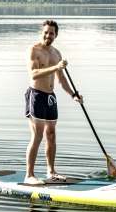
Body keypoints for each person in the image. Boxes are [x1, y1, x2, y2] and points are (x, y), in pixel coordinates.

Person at [24, 20, 83, 185]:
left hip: (50, 97)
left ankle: (51, 171)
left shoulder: (56, 53)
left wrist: (73, 95)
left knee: (51, 134)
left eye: (51, 33)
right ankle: (29, 175)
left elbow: (61, 80)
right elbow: (34, 74)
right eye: (45, 32)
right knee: (37, 135)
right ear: (41, 32)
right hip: (36, 95)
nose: (48, 35)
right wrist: (56, 67)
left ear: (56, 35)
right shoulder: (33, 50)